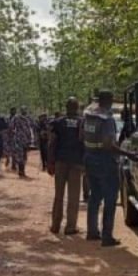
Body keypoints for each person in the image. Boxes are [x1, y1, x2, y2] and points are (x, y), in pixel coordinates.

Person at [82, 90, 138, 247]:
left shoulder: (89, 115)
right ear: (110, 100)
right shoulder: (107, 119)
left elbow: (81, 136)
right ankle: (107, 236)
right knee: (110, 199)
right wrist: (128, 154)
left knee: (95, 196)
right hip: (105, 162)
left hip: (89, 159)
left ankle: (92, 232)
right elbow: (109, 145)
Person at [48, 97, 85, 235]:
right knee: (73, 196)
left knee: (59, 194)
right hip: (76, 162)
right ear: (77, 108)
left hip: (60, 162)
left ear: (66, 107)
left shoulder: (58, 123)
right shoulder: (82, 122)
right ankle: (70, 227)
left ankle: (55, 225)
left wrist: (50, 162)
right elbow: (84, 142)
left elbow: (52, 143)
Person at [11, 107, 33, 178]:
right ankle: (21, 172)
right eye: (23, 110)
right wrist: (14, 134)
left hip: (26, 140)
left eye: (25, 110)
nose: (24, 111)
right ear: (21, 111)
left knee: (24, 156)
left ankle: (22, 171)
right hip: (18, 139)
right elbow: (11, 127)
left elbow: (29, 129)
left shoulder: (27, 119)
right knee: (20, 156)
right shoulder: (16, 118)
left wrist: (30, 140)